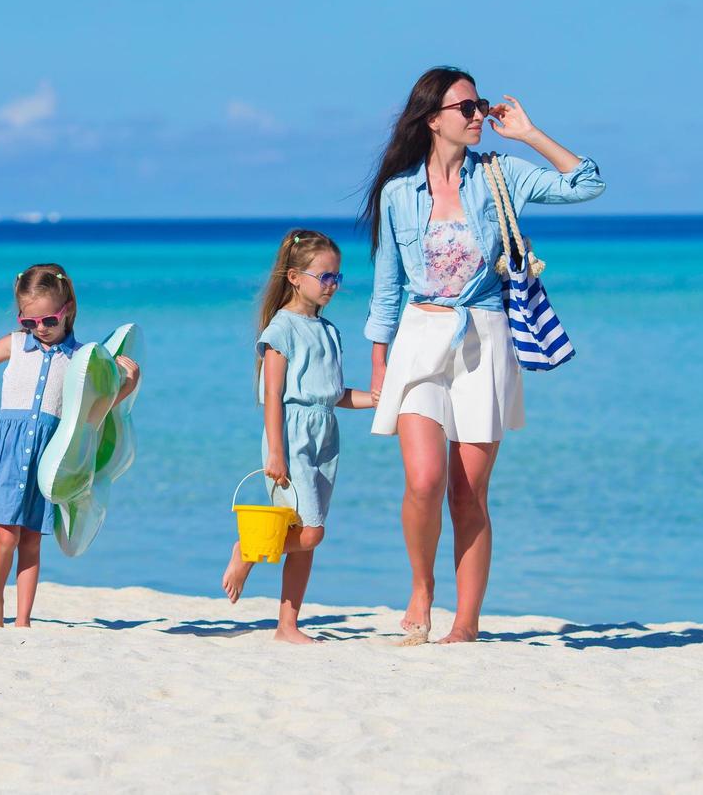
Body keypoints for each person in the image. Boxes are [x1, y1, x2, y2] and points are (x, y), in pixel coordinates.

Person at [361, 66, 605, 645]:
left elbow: (586, 183)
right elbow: (387, 284)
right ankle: (422, 589)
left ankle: (465, 624)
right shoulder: (399, 193)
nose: (478, 116)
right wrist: (379, 359)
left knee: (467, 493)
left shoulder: (502, 175)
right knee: (423, 480)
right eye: (466, 108)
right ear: (432, 119)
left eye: (480, 105)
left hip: (486, 340)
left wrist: (529, 134)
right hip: (420, 339)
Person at [0, 264, 140, 627]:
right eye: (30, 322)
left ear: (67, 309)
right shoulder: (16, 345)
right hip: (9, 453)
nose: (40, 330)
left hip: (49, 457)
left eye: (49, 321)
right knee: (6, 536)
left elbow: (93, 412)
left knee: (32, 541)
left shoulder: (84, 358)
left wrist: (127, 385)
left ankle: (23, 618)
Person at [221, 231, 375, 643]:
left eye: (337, 277)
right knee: (310, 531)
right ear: (294, 276)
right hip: (291, 437)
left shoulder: (328, 330)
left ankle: (287, 626)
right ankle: (248, 549)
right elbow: (274, 394)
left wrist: (376, 398)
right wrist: (276, 452)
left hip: (326, 436)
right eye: (324, 276)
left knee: (309, 538)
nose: (333, 285)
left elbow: (334, 394)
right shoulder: (281, 329)